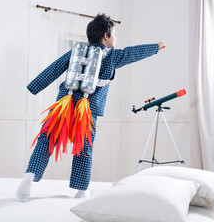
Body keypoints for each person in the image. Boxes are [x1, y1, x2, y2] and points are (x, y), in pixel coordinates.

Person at [16, 13, 166, 202]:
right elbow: (133, 52)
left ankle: (29, 177)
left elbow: (55, 68)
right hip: (87, 109)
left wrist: (34, 87)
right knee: (83, 146)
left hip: (64, 103)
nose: (115, 38)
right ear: (106, 35)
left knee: (47, 138)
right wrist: (156, 47)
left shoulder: (76, 51)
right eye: (114, 34)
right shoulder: (113, 56)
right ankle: (81, 191)